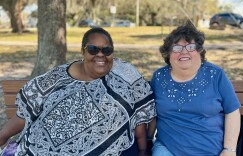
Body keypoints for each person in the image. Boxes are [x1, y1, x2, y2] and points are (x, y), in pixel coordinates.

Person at [0, 27, 156, 156]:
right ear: (83, 51)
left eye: (107, 50)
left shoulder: (124, 73)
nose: (100, 54)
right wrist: (2, 136)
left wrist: (143, 150)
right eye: (93, 49)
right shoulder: (57, 78)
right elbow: (26, 112)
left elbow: (140, 114)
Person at [148, 23, 241, 156]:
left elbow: (232, 111)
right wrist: (146, 141)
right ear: (168, 53)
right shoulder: (159, 77)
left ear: (200, 51)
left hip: (209, 149)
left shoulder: (215, 75)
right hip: (168, 148)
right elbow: (151, 114)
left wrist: (229, 150)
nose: (184, 51)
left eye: (191, 47)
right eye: (177, 48)